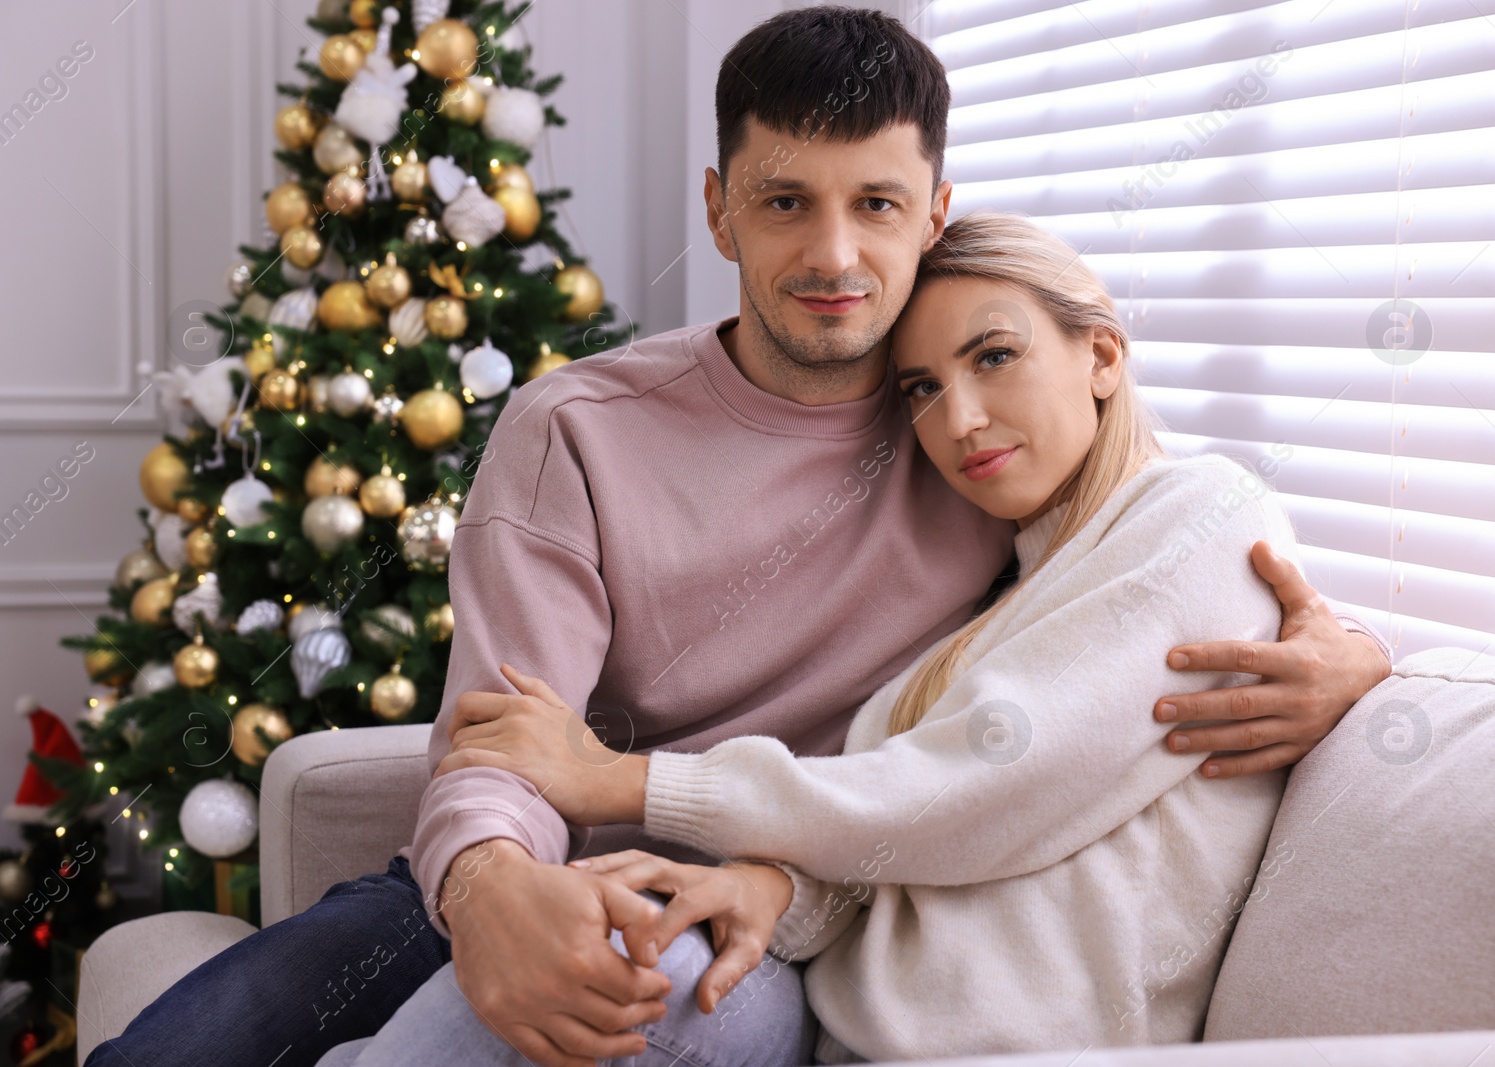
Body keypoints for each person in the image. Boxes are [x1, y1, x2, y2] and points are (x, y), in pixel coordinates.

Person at [87, 9, 1389, 1067]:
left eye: (878, 204)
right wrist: (489, 892)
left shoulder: (980, 434)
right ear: (719, 210)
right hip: (543, 864)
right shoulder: (575, 428)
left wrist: (1350, 652)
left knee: (646, 998)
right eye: (784, 203)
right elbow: (503, 741)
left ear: (934, 210)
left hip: (752, 909)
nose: (834, 254)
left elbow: (1135, 575)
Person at [338, 210, 1311, 1065]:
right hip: (843, 1033)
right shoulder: (1011, 586)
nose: (960, 419)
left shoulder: (1203, 509)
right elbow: (905, 845)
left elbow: (979, 785)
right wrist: (772, 887)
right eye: (923, 387)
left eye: (995, 355)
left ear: (1101, 355)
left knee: (636, 976)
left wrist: (621, 780)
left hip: (994, 1051)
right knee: (620, 953)